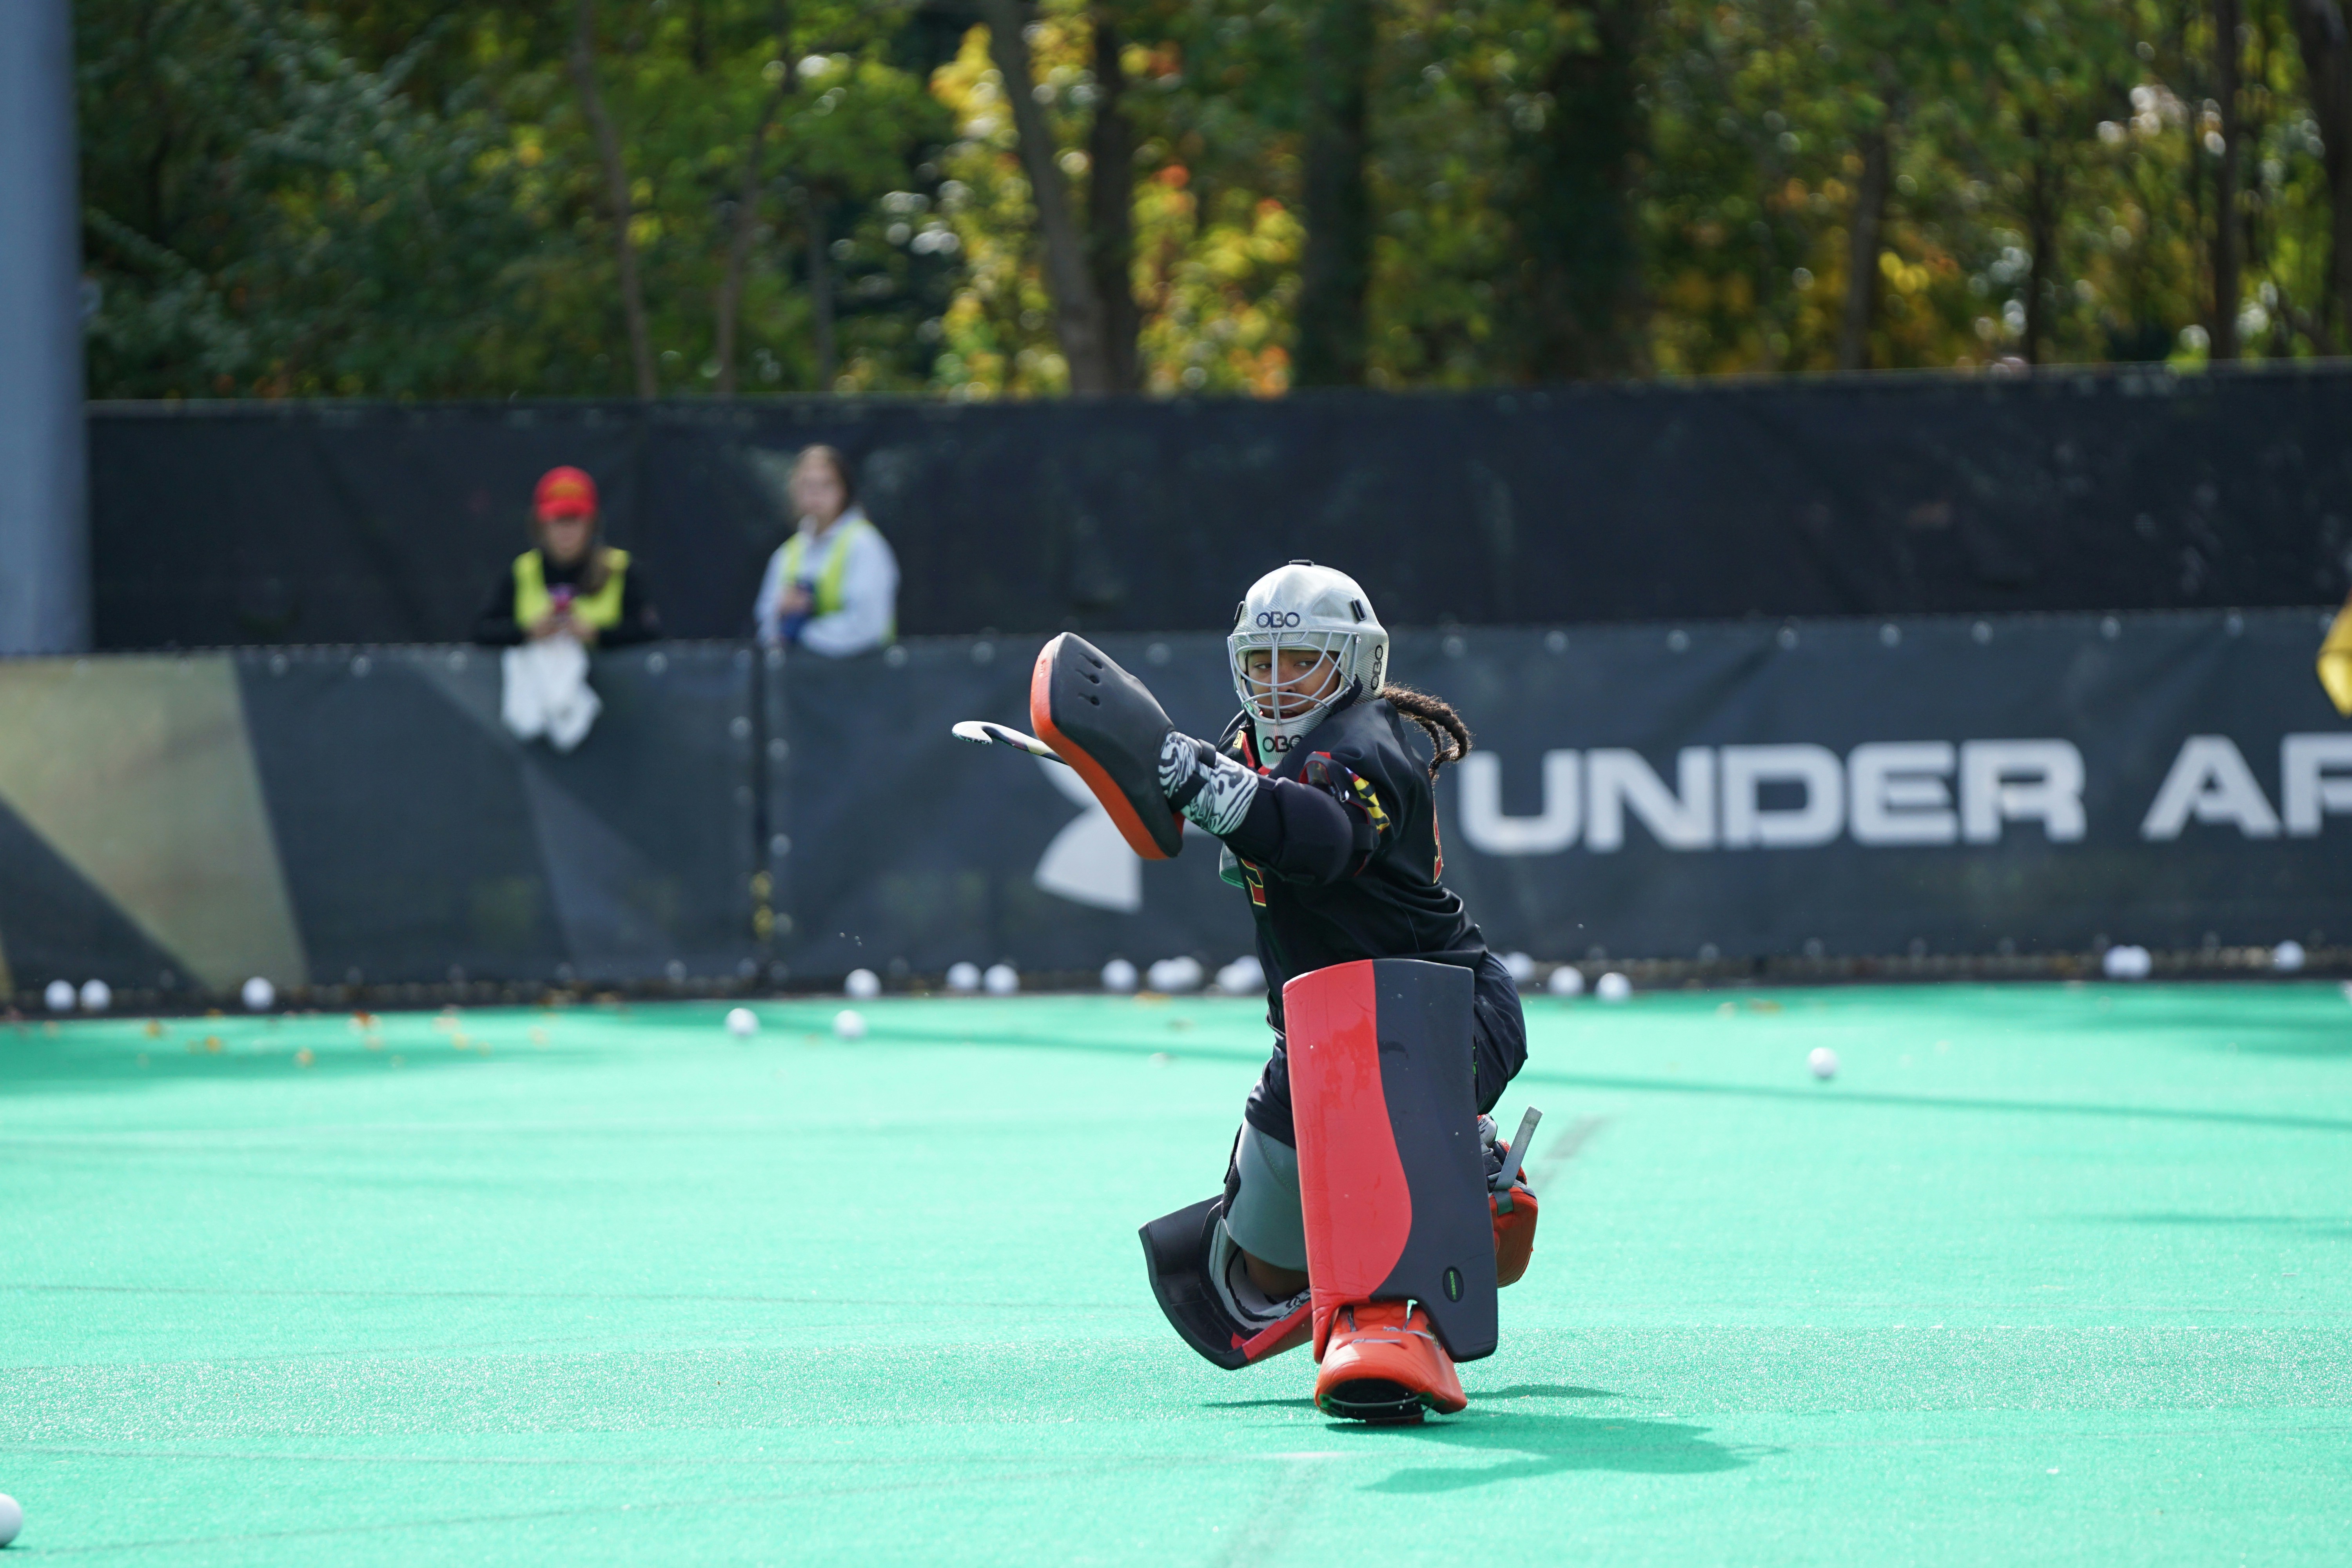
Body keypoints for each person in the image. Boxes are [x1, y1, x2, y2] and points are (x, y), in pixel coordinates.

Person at [1147, 561, 1531, 1415]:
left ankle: (1393, 1319)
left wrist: (1204, 784)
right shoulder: (1246, 743)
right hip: (1319, 1036)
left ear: (1356, 665)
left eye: (1305, 661)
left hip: (1439, 1010)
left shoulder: (1372, 738)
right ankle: (1470, 1190)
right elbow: (1187, 826)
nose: (1280, 683)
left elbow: (1318, 839)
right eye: (1264, 663)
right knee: (1245, 1282)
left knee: (1375, 1124)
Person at [473, 466, 660, 648]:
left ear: (592, 525)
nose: (566, 531)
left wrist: (596, 634)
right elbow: (482, 631)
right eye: (558, 520)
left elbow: (649, 631)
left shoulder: (620, 569)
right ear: (540, 526)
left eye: (575, 519)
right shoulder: (522, 571)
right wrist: (528, 632)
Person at [753, 445, 898, 655]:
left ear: (843, 491)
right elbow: (766, 629)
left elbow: (868, 626)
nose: (815, 494)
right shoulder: (787, 554)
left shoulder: (865, 544)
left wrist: (803, 634)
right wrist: (781, 613)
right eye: (807, 485)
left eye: (826, 485)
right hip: (803, 683)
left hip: (863, 681)